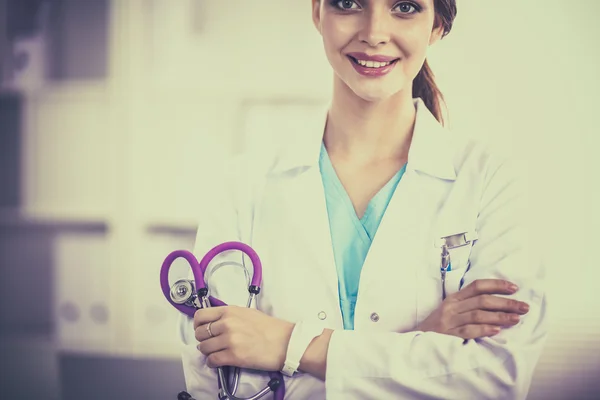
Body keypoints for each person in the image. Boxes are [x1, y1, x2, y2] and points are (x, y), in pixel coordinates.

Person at [177, 0, 548, 398]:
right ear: (318, 12)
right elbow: (216, 377)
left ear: (437, 25)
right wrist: (421, 342)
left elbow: (494, 379)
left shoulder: (489, 182)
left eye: (405, 7)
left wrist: (287, 345)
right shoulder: (244, 183)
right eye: (348, 3)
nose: (373, 33)